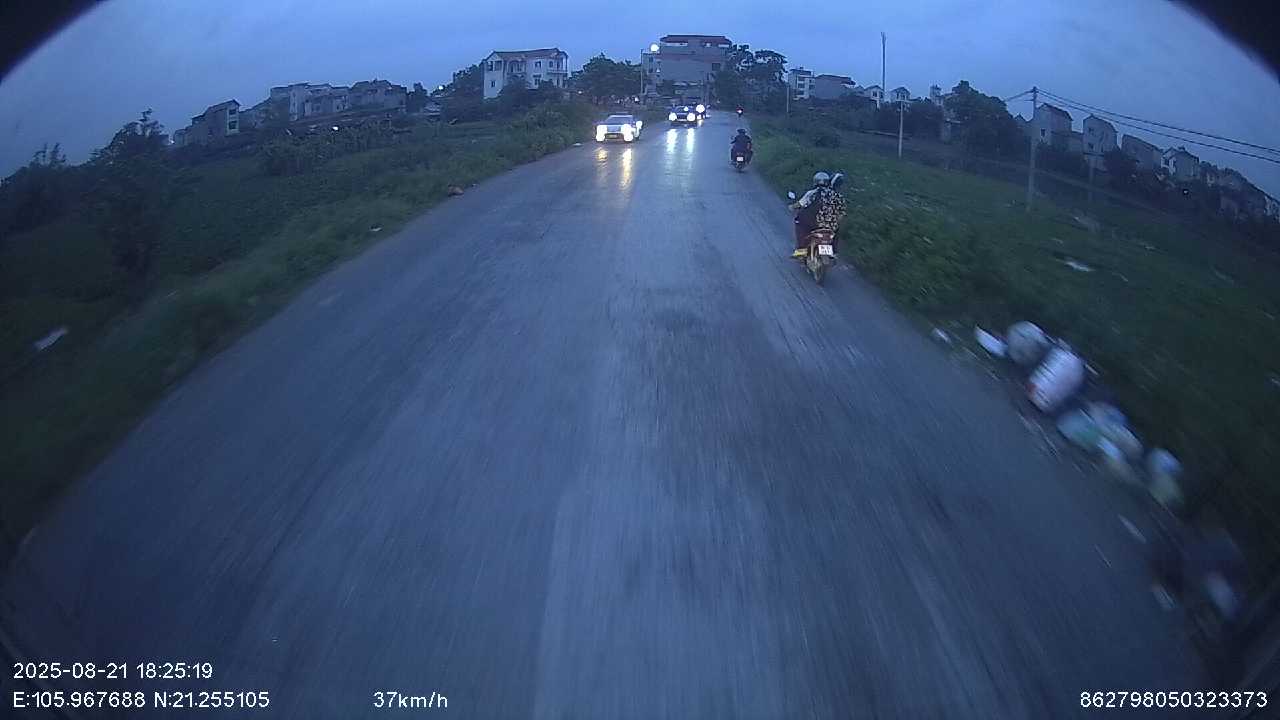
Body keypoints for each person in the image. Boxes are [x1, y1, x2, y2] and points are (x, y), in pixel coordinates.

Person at [788, 171, 846, 257]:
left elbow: (800, 204)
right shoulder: (839, 196)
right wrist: (834, 223)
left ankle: (801, 249)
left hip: (813, 223)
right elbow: (841, 214)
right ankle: (833, 251)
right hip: (829, 226)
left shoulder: (813, 193)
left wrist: (792, 207)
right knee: (836, 231)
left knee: (799, 223)